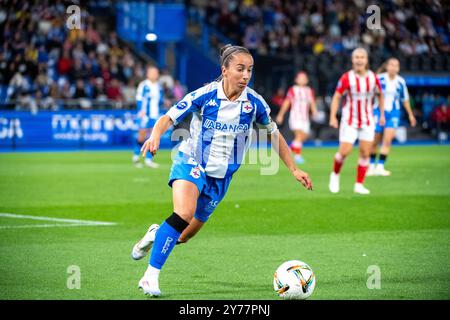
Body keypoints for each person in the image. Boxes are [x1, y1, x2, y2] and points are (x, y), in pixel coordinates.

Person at [130, 44, 313, 296]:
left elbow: (274, 135)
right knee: (183, 212)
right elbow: (168, 118)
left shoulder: (255, 104)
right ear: (225, 70)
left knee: (183, 235)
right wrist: (155, 136)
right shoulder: (204, 95)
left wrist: (293, 168)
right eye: (240, 69)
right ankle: (150, 277)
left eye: (249, 69)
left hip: (221, 177)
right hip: (191, 161)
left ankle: (156, 233)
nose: (246, 75)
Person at [328, 47, 385, 195]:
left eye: (362, 57)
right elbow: (337, 96)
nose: (359, 60)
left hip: (367, 120)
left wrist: (382, 114)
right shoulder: (347, 77)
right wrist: (333, 116)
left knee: (366, 152)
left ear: (366, 60)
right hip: (349, 121)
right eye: (356, 57)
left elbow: (380, 95)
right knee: (345, 151)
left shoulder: (373, 77)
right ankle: (335, 175)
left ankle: (359, 185)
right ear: (352, 60)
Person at [367, 58, 417, 176]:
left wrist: (410, 115)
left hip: (394, 113)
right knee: (374, 141)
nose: (394, 67)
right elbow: (370, 95)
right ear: (387, 66)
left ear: (398, 68)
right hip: (378, 112)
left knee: (387, 140)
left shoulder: (401, 82)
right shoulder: (379, 78)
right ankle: (371, 166)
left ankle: (380, 167)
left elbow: (404, 99)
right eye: (392, 65)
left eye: (396, 66)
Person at [275, 71, 317, 164]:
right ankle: (298, 156)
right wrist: (281, 115)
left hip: (305, 118)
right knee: (299, 135)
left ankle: (289, 150)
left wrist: (314, 111)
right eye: (300, 78)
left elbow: (312, 102)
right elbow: (287, 102)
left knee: (304, 137)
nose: (302, 80)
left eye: (304, 78)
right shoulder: (293, 89)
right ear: (296, 80)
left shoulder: (309, 91)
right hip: (295, 117)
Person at [132, 65, 164, 168]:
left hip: (155, 115)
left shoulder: (159, 86)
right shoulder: (144, 85)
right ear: (148, 74)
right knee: (141, 136)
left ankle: (149, 159)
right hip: (145, 115)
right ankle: (136, 157)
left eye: (156, 73)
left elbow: (160, 100)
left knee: (153, 137)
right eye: (152, 72)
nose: (154, 74)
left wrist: (165, 102)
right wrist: (140, 110)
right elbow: (139, 98)